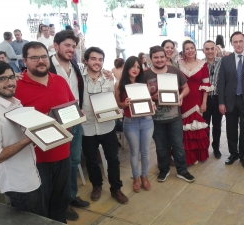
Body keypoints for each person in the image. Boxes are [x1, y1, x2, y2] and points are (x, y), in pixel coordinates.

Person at [15, 41, 74, 223]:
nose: (40, 61)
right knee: (40, 206)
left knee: (61, 201)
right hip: (36, 158)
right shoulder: (16, 86)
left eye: (43, 57)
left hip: (63, 152)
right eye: (34, 58)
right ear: (24, 61)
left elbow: (71, 106)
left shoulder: (60, 81)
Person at [48, 30, 89, 221]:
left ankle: (71, 197)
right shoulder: (46, 65)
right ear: (56, 46)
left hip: (75, 120)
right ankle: (60, 204)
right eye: (67, 45)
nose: (71, 49)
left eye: (73, 46)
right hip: (56, 124)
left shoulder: (74, 64)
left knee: (73, 162)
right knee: (59, 166)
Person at [81, 47, 128, 204]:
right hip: (87, 126)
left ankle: (116, 188)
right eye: (93, 59)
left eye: (100, 59)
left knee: (113, 158)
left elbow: (114, 100)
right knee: (91, 160)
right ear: (86, 60)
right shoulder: (79, 77)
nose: (97, 62)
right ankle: (97, 185)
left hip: (107, 125)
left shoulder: (109, 78)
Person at [0, 61, 45, 216]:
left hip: (31, 174)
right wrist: (28, 139)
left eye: (11, 77)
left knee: (39, 216)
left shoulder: (16, 104)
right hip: (17, 183)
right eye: (2, 79)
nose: (10, 82)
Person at [144, 46, 195, 182]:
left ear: (166, 57)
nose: (159, 60)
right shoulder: (146, 75)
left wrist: (181, 96)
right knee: (160, 148)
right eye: (156, 57)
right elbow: (141, 95)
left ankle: (182, 171)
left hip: (174, 117)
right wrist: (150, 97)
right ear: (151, 59)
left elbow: (186, 88)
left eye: (162, 57)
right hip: (156, 118)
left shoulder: (174, 71)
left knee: (178, 145)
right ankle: (164, 170)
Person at [217, 31, 244, 169]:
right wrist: (221, 102)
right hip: (230, 100)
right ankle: (233, 153)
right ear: (231, 43)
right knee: (230, 129)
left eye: (240, 41)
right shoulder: (226, 60)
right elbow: (221, 82)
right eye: (235, 42)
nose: (238, 44)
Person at [115, 56, 154, 193]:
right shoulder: (119, 84)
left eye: (138, 67)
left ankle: (145, 176)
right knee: (134, 152)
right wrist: (124, 104)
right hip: (130, 122)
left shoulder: (144, 83)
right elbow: (118, 104)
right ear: (127, 67)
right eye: (133, 66)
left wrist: (152, 105)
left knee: (145, 152)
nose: (135, 69)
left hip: (147, 120)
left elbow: (148, 102)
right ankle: (136, 178)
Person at [178, 40, 211, 165]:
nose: (190, 50)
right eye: (187, 48)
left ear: (195, 49)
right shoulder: (178, 64)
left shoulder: (203, 64)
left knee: (195, 131)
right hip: (182, 101)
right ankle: (185, 157)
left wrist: (204, 103)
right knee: (183, 131)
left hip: (197, 101)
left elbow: (206, 85)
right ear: (183, 51)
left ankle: (196, 156)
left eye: (192, 48)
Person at [202, 40, 223, 159]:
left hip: (217, 98)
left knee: (217, 125)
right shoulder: (200, 64)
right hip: (204, 100)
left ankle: (216, 148)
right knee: (205, 125)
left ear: (216, 50)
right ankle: (205, 147)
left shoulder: (222, 62)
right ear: (203, 50)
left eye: (212, 48)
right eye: (207, 49)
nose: (210, 51)